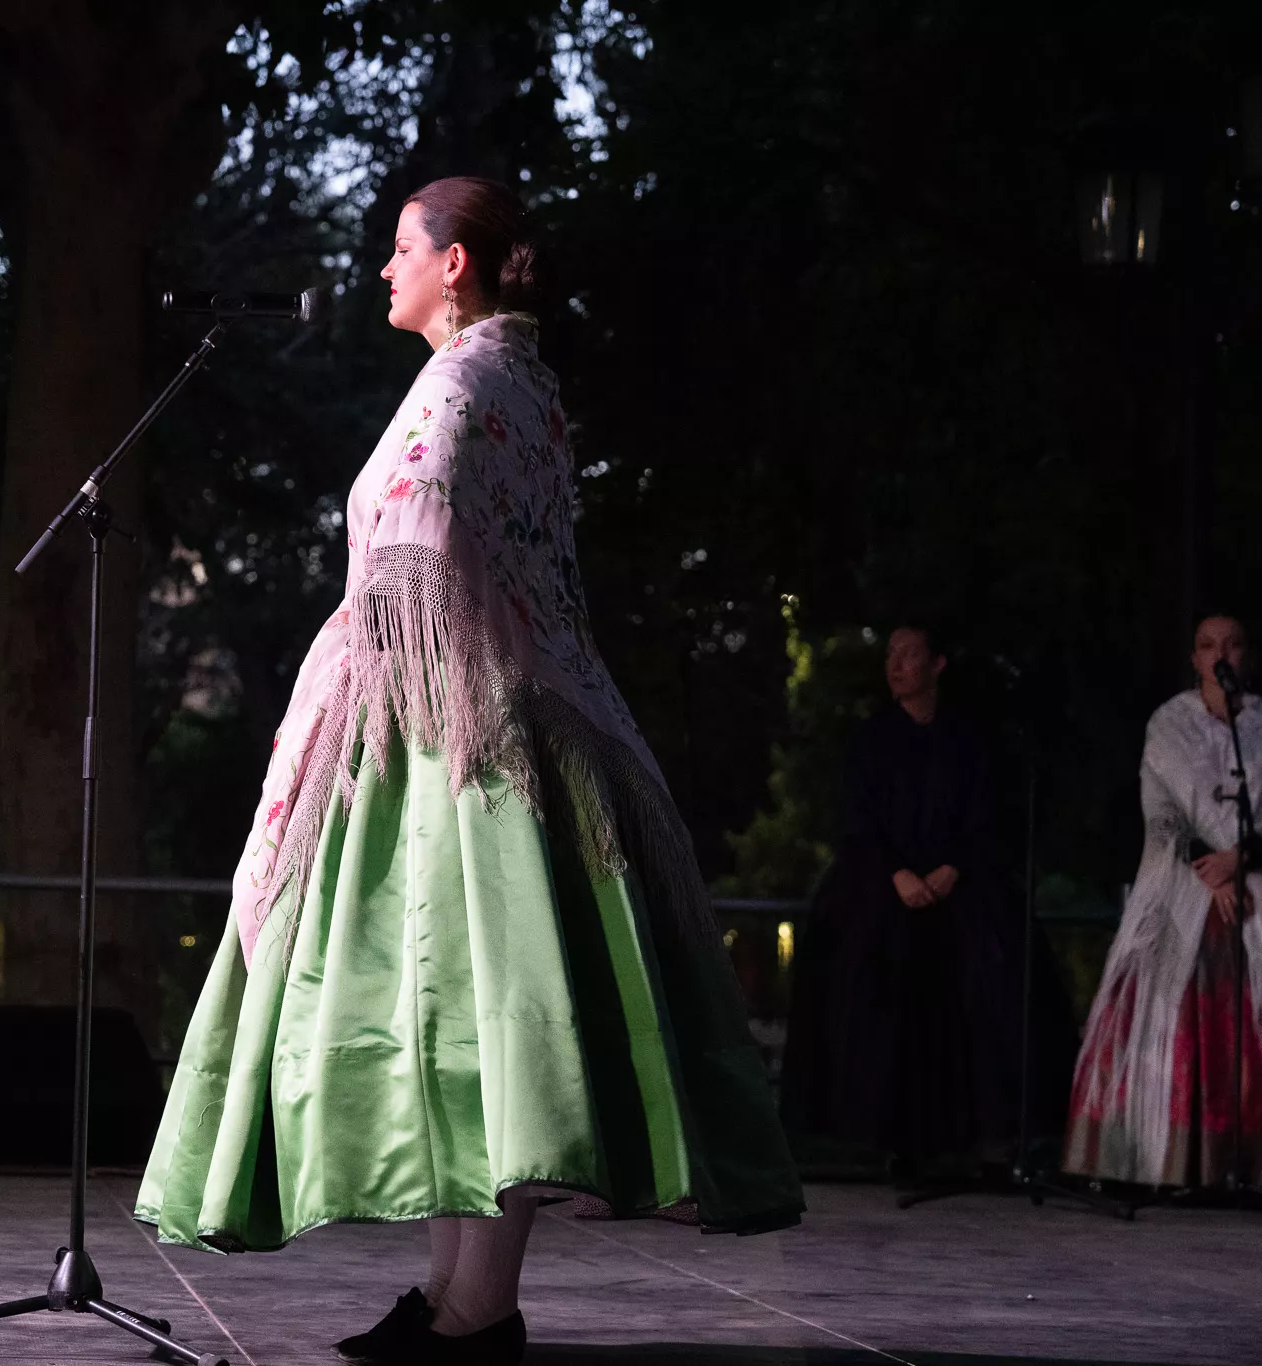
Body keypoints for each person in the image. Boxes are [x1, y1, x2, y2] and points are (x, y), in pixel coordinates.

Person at [135, 176, 801, 1366]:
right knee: (453, 1020)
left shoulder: (472, 376)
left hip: (467, 727)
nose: (383, 267)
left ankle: (476, 1310)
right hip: (483, 708)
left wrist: (379, 644)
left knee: (482, 1018)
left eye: (402, 247)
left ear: (457, 265)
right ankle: (453, 1294)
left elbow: (426, 521)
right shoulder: (508, 375)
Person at [781, 626, 1065, 1175]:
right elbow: (859, 821)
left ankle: (988, 1136)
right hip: (883, 883)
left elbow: (984, 815)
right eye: (891, 654)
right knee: (869, 979)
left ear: (936, 664)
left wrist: (952, 868)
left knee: (991, 976)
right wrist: (898, 874)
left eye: (909, 655)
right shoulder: (872, 739)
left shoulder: (968, 738)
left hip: (959, 881)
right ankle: (876, 1139)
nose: (896, 665)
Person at [1064, 616, 1262, 1189]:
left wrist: (1242, 859)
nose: (1220, 654)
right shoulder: (1169, 724)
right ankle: (1172, 1163)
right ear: (1194, 658)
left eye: (1231, 643)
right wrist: (1212, 869)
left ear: (1246, 655)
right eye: (1209, 646)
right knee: (1168, 1005)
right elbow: (1160, 809)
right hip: (1187, 885)